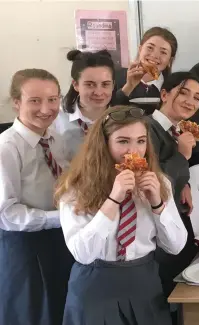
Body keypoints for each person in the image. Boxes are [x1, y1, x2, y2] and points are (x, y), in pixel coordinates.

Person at [56, 105, 187, 325]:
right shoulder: (75, 188)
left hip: (144, 286)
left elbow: (175, 246)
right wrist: (113, 199)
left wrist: (157, 204)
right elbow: (82, 253)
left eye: (141, 141)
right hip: (95, 288)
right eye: (123, 141)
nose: (133, 151)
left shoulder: (159, 182)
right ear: (104, 144)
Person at [0, 68, 74, 325]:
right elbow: (6, 214)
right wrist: (62, 218)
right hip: (25, 247)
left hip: (60, 239)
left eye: (53, 99)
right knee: (33, 314)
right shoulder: (6, 148)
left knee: (60, 309)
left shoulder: (55, 138)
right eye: (35, 100)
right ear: (17, 102)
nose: (46, 108)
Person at [145, 72, 199, 301]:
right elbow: (150, 179)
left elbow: (171, 170)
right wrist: (182, 155)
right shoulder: (147, 128)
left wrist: (184, 183)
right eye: (184, 93)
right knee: (164, 289)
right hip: (156, 227)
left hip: (174, 217)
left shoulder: (176, 129)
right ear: (164, 94)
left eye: (197, 97)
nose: (191, 101)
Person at [55, 49, 115, 161]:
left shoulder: (121, 118)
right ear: (76, 85)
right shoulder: (57, 117)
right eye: (90, 85)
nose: (98, 92)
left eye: (105, 84)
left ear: (113, 85)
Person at [114, 27, 178, 111]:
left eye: (163, 52)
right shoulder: (115, 77)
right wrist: (128, 87)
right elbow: (108, 113)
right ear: (140, 49)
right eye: (150, 48)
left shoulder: (174, 87)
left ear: (170, 60)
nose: (155, 55)